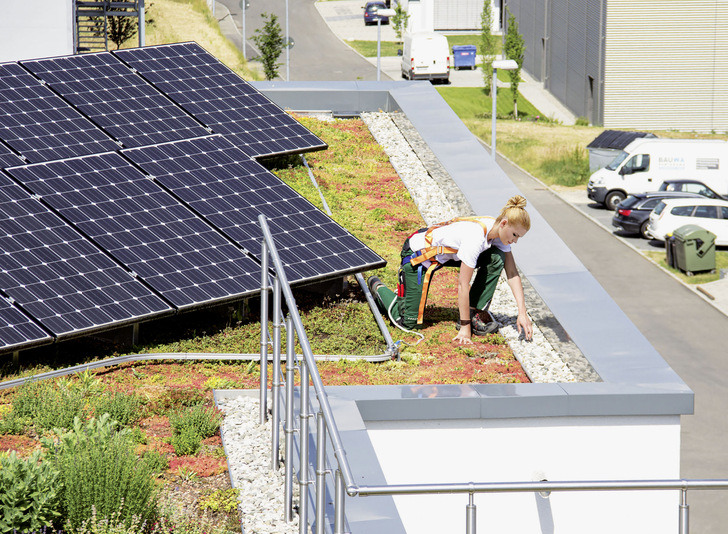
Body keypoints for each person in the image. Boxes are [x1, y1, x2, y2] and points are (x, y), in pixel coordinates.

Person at [368, 195, 533, 345]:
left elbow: (512, 274)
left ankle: (473, 311)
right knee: (407, 321)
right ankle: (378, 287)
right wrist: (464, 328)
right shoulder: (475, 239)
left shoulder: (499, 232)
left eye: (519, 236)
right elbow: (462, 284)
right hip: (417, 256)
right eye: (515, 235)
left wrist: (522, 312)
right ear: (504, 223)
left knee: (497, 258)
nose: (515, 241)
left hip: (446, 255)